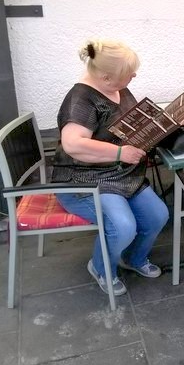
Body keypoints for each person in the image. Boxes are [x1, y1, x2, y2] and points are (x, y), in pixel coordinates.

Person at [51, 39, 169, 295]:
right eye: (129, 74)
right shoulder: (80, 100)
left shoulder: (118, 87)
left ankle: (133, 259)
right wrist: (119, 152)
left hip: (121, 173)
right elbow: (72, 144)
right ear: (105, 77)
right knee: (123, 226)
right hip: (84, 179)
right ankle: (101, 267)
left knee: (158, 215)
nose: (134, 76)